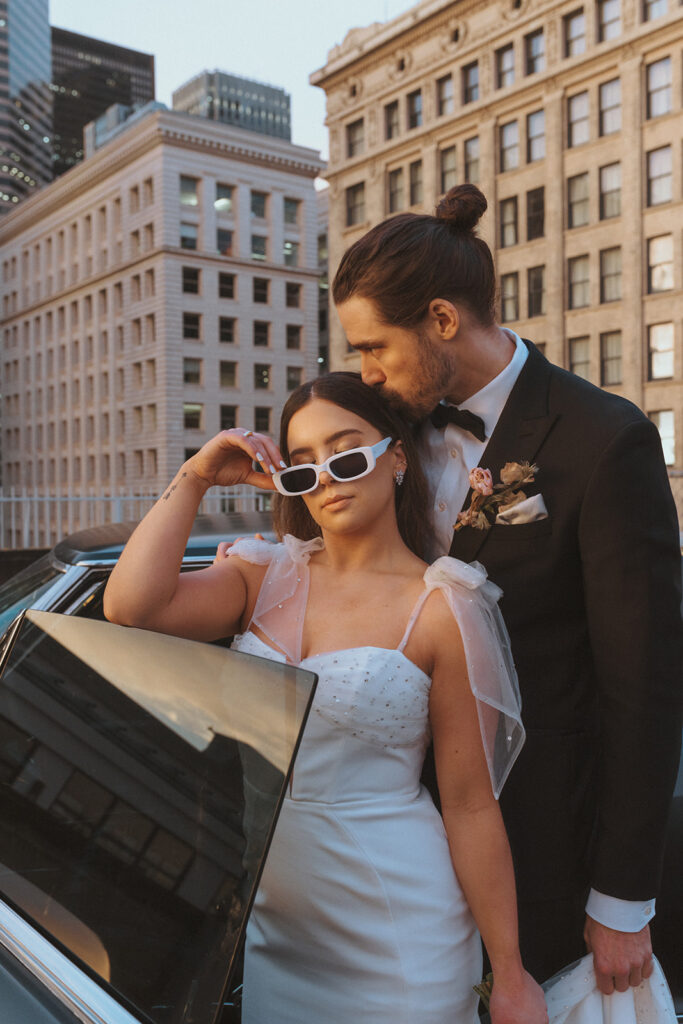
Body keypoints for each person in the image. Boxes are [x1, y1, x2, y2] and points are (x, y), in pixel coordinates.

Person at [103, 372, 548, 1024]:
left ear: (395, 456)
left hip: (398, 929)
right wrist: (197, 475)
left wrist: (509, 973)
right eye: (303, 466)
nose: (327, 478)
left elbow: (470, 806)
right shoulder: (261, 575)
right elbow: (130, 606)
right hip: (278, 928)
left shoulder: (441, 608)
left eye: (344, 453)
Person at [332, 182, 683, 994]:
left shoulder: (604, 439)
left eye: (375, 347)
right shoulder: (385, 435)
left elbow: (643, 687)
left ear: (442, 320)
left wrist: (623, 899)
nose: (365, 373)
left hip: (542, 846)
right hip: (395, 850)